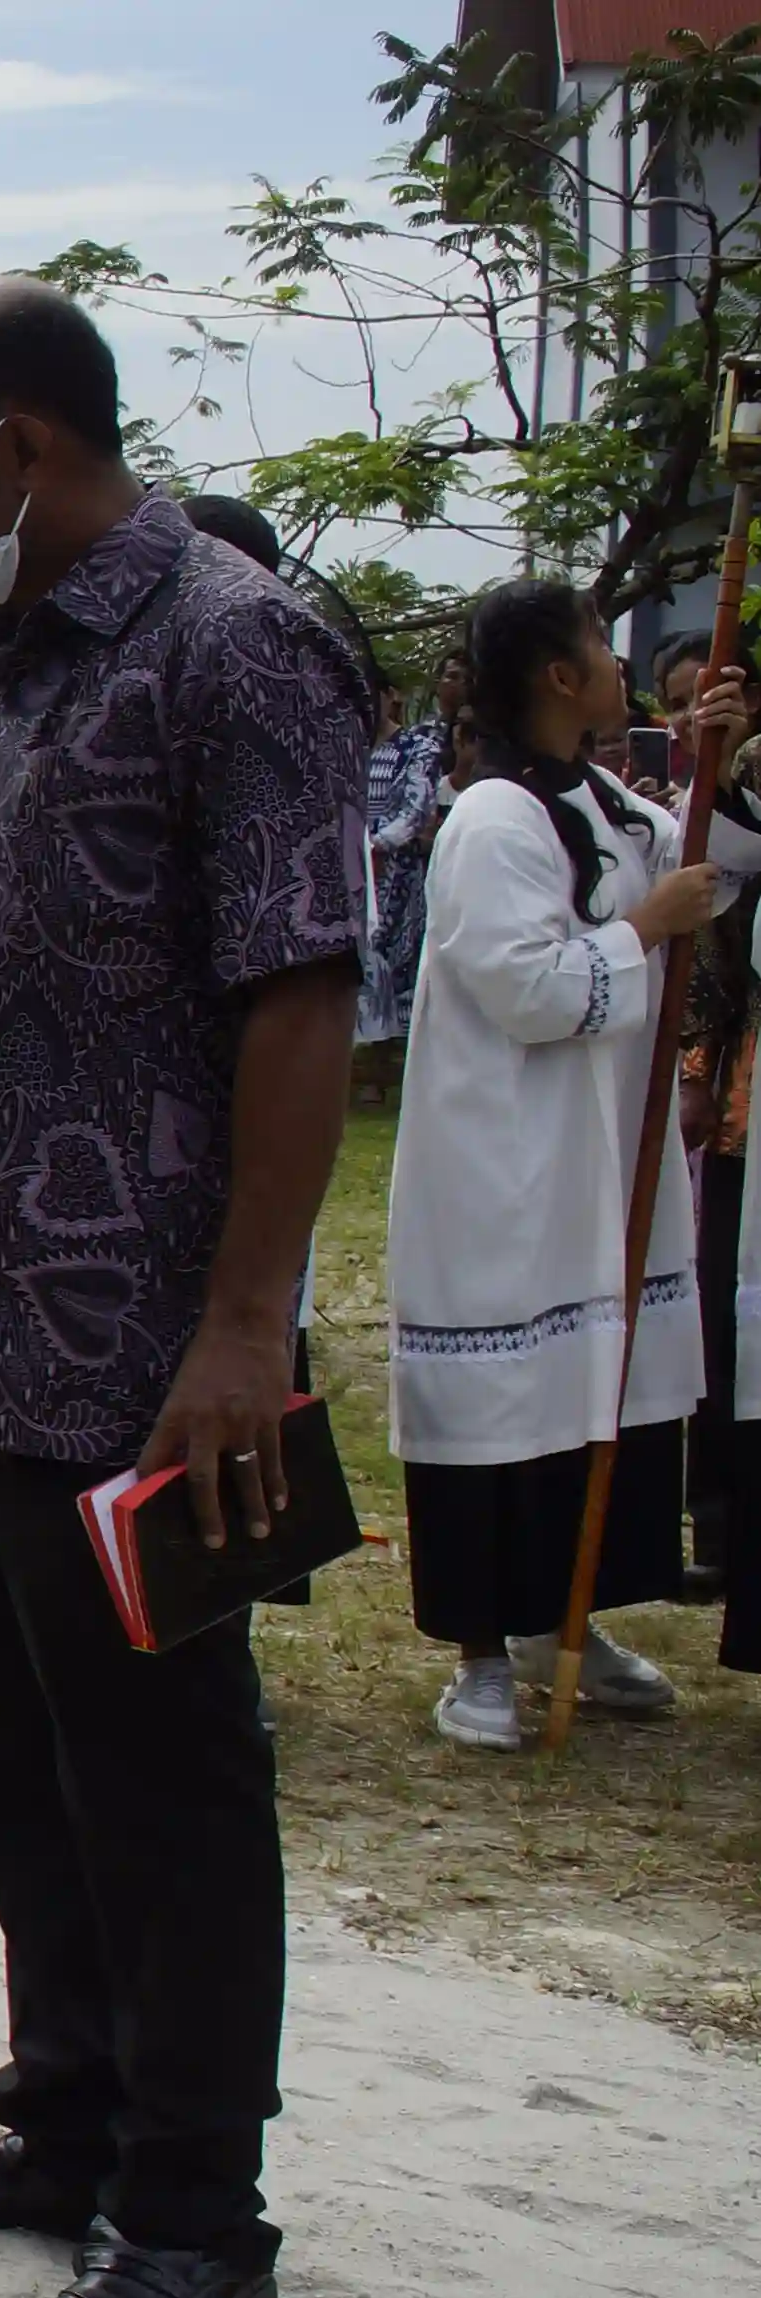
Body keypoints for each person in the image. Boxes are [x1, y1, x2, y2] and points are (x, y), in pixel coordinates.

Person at [0, 274, 375, 2298]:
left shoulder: (238, 648)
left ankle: (192, 2209)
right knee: (12, 1754)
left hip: (138, 1350)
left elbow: (301, 992)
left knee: (161, 1779)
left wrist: (246, 1326)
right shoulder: (10, 666)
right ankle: (65, 2114)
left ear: (23, 448)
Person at [391, 586, 756, 1746]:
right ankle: (481, 1654)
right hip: (502, 1162)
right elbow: (529, 990)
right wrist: (645, 929)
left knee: (594, 1391)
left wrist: (719, 757)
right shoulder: (491, 821)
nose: (616, 661)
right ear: (559, 675)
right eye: (601, 644)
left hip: (596, 1157)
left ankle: (568, 1617)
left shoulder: (602, 802)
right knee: (501, 1406)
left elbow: (710, 860)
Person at [359, 655, 462, 1053]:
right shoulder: (347, 748)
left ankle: (397, 1053)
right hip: (353, 871)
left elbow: (416, 810)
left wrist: (374, 844)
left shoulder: (418, 747)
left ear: (389, 697)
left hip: (397, 874)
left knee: (397, 958)